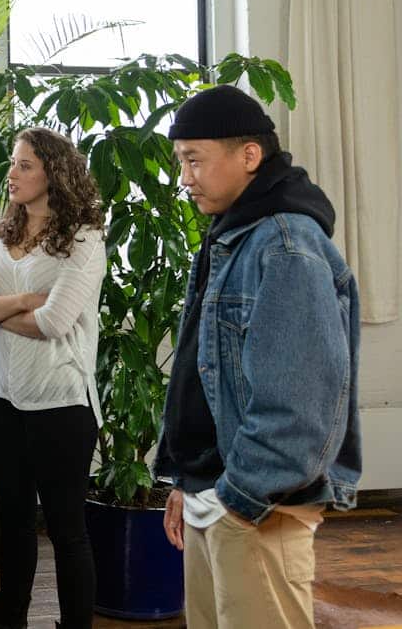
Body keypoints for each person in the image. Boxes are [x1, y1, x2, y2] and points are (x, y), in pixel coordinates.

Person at [154, 85, 360, 629]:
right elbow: (204, 376)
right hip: (215, 498)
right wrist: (187, 482)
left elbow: (298, 406)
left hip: (252, 508)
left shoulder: (286, 245)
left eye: (194, 160)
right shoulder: (235, 232)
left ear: (249, 156)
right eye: (181, 161)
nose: (185, 178)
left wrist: (237, 501)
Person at [0, 127, 107, 629]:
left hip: (61, 401)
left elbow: (55, 322)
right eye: (12, 163)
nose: (12, 173)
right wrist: (21, 301)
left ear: (53, 174)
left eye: (24, 165)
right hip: (2, 395)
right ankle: (12, 620)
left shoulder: (84, 238)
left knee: (67, 531)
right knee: (14, 522)